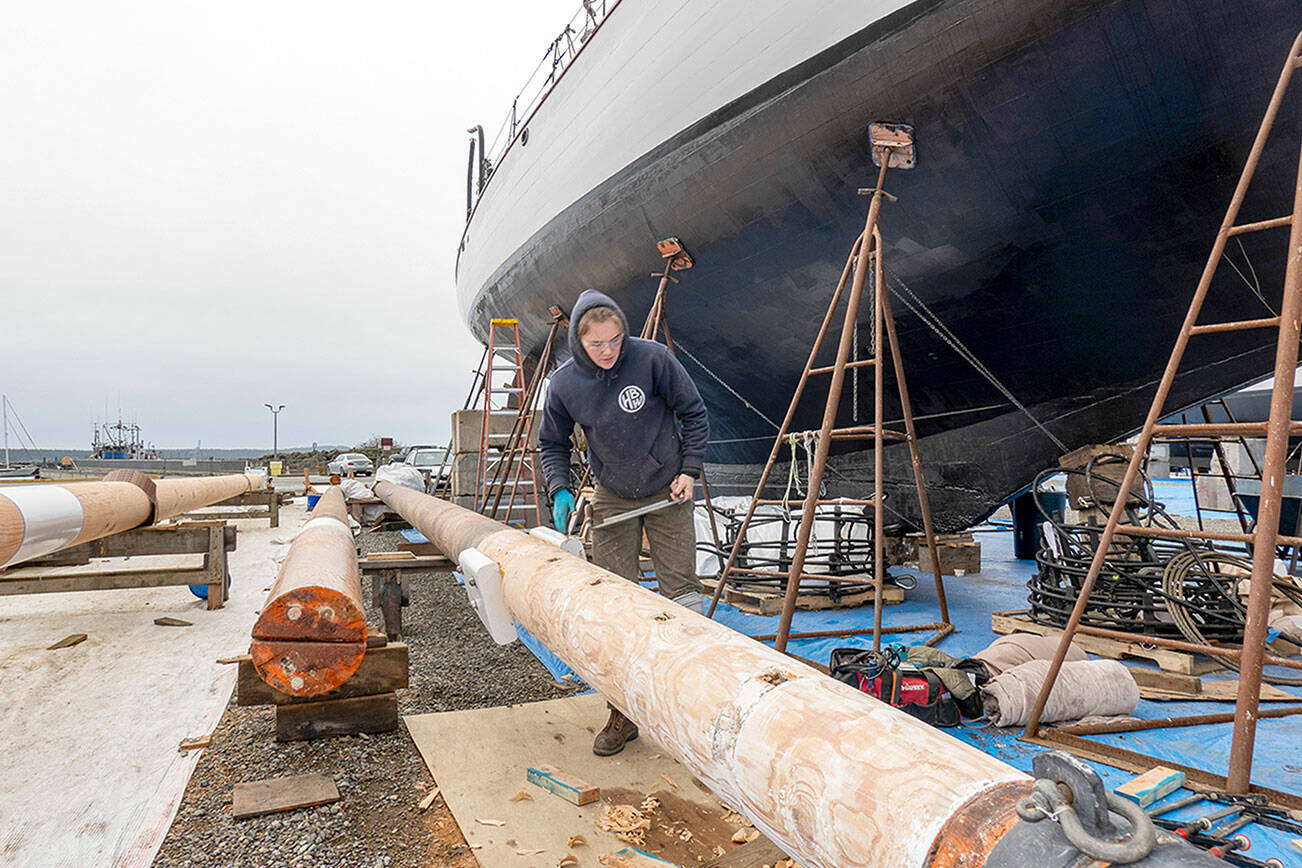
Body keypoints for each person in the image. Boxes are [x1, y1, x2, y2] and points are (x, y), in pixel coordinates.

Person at [539, 289, 709, 756]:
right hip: (613, 497)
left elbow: (693, 414)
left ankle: (691, 709)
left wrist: (688, 471)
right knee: (616, 605)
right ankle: (622, 713)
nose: (609, 351)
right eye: (597, 345)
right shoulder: (564, 384)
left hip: (666, 490)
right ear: (578, 341)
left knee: (684, 598)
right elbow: (551, 443)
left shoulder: (652, 359)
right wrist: (559, 488)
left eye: (615, 340)